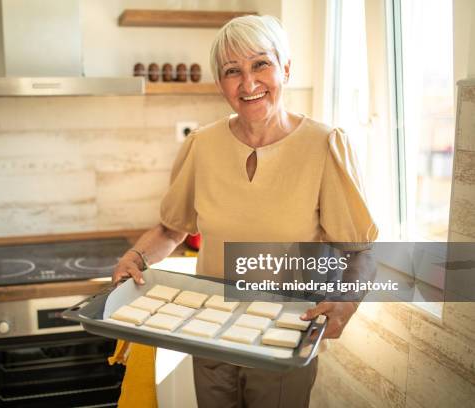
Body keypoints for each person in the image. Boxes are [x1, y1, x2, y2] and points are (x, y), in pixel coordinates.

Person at [112, 14, 378, 408]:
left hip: (284, 340)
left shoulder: (324, 146)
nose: (248, 83)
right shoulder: (202, 145)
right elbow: (171, 230)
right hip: (208, 333)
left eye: (261, 64)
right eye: (232, 71)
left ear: (285, 68)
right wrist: (135, 257)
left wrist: (347, 301)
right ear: (221, 83)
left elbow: (362, 250)